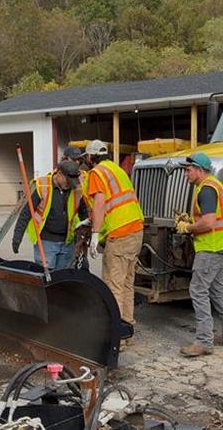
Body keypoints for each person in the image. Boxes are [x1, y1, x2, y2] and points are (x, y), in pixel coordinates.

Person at [176, 152, 223, 357]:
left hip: (212, 246)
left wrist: (187, 227)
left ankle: (204, 341)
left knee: (198, 289)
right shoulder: (213, 185)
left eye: (188, 170)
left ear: (199, 169)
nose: (186, 174)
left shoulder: (206, 189)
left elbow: (208, 222)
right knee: (217, 290)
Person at [83, 139, 144, 348]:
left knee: (113, 286)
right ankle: (128, 331)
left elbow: (100, 203)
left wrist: (94, 234)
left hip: (120, 233)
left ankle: (116, 336)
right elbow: (115, 202)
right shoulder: (116, 170)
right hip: (135, 229)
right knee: (127, 284)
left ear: (90, 158)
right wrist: (90, 220)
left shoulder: (96, 173)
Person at [11, 160, 89, 270]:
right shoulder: (42, 185)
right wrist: (17, 237)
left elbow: (83, 213)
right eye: (68, 181)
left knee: (63, 277)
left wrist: (86, 233)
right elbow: (26, 213)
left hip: (67, 241)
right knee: (46, 276)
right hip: (46, 241)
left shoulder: (76, 188)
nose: (70, 185)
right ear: (59, 174)